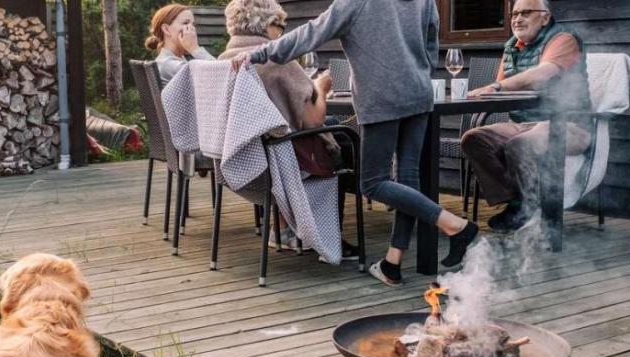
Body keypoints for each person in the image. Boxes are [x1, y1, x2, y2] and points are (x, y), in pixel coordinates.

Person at [230, 0, 478, 286]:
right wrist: (421, 75)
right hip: (419, 94)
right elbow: (432, 43)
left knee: (373, 183)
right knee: (407, 178)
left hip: (382, 99)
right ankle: (392, 264)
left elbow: (311, 33)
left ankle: (453, 224)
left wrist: (260, 53)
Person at [218, 0, 358, 260]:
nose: (281, 34)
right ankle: (326, 234)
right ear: (264, 25)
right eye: (279, 26)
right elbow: (313, 120)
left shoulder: (223, 61)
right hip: (281, 163)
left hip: (244, 161)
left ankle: (281, 226)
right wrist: (322, 88)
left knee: (329, 132)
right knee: (344, 142)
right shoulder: (275, 58)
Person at [461, 0, 592, 232]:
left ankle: (529, 208)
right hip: (522, 122)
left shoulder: (563, 39)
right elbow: (503, 85)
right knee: (474, 139)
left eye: (526, 12)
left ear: (545, 17)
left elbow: (542, 74)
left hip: (566, 124)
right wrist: (495, 89)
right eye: (514, 14)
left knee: (520, 144)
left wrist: (496, 87)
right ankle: (519, 203)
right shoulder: (512, 47)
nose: (517, 19)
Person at [147, 4, 215, 86]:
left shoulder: (176, 59)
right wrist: (195, 49)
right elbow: (220, 75)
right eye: (186, 23)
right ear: (166, 29)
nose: (192, 29)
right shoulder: (170, 65)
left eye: (193, 24)